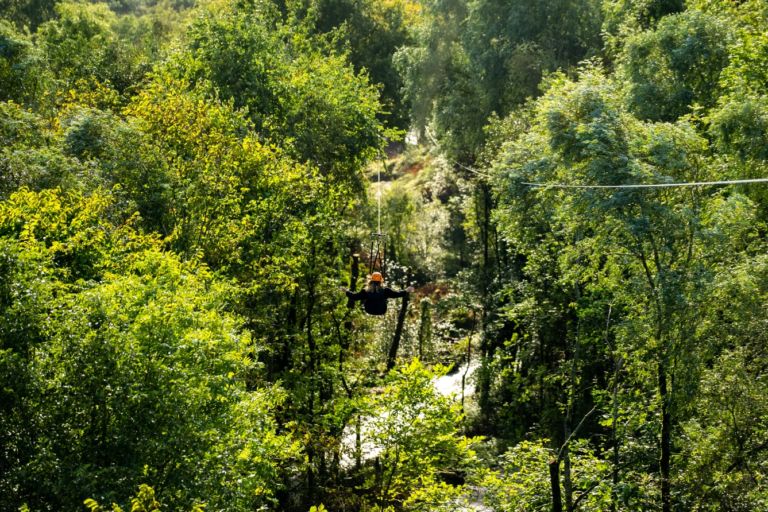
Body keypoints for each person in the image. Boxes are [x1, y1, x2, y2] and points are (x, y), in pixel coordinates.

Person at [344, 271, 414, 315]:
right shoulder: (385, 290)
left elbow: (354, 297)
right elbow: (397, 294)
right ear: (381, 281)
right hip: (381, 310)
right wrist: (406, 290)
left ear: (370, 281)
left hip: (369, 310)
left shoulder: (366, 291)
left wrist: (346, 291)